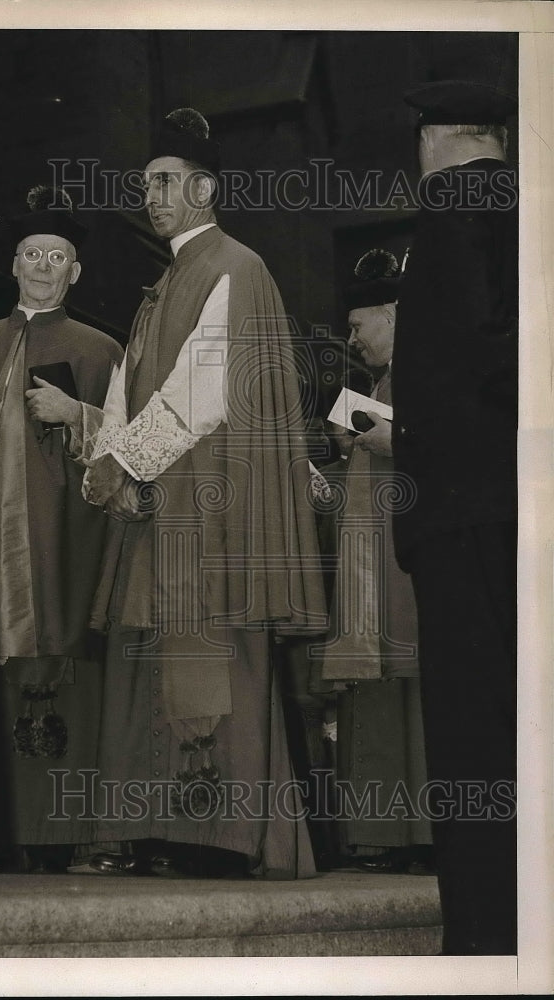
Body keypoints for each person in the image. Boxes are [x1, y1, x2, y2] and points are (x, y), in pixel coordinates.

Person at [63, 108, 327, 878]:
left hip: (210, 503)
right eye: (146, 183)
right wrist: (107, 459)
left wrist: (128, 461)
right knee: (156, 653)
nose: (150, 195)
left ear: (206, 188)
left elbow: (205, 386)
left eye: (166, 181)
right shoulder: (168, 279)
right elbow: (128, 383)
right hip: (160, 500)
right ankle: (157, 829)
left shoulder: (234, 269)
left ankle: (217, 838)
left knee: (207, 655)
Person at [0, 186, 123, 873]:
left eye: (57, 256)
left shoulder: (102, 349)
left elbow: (137, 443)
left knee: (65, 654)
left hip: (67, 541)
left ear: (74, 272)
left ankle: (70, 833)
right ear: (13, 264)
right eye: (31, 254)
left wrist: (76, 411)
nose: (43, 266)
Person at [391, 80, 518, 953]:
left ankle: (484, 939)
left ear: (435, 142)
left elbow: (459, 375)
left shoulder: (454, 214)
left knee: (475, 743)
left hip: (469, 525)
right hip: (529, 515)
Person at [313, 249, 432, 874]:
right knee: (379, 690)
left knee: (409, 690)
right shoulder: (380, 386)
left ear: (392, 314)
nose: (353, 340)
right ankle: (385, 834)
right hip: (374, 566)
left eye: (360, 327)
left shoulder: (428, 373)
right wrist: (348, 453)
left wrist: (394, 440)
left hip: (406, 569)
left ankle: (418, 836)